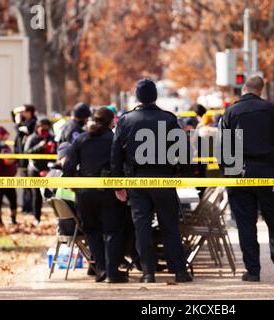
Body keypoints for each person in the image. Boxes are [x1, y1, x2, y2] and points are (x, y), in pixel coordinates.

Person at [111, 78, 192, 283]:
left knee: (142, 228)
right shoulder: (169, 119)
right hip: (164, 178)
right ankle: (180, 271)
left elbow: (115, 155)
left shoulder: (125, 120)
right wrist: (179, 172)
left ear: (137, 97)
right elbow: (183, 151)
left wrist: (118, 184)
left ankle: (148, 273)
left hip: (137, 181)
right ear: (155, 96)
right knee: (170, 226)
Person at [221, 75, 274, 282]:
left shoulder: (231, 111)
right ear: (261, 90)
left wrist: (229, 171)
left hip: (241, 173)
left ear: (244, 88)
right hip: (268, 170)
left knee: (246, 224)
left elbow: (223, 149)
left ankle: (253, 271)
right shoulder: (271, 109)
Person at [64, 107, 128, 283]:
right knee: (113, 231)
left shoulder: (81, 139)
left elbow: (68, 167)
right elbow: (120, 165)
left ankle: (100, 269)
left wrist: (74, 186)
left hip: (85, 193)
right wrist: (120, 187)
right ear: (111, 122)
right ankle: (113, 272)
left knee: (92, 231)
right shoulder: (115, 139)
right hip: (108, 192)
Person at [24, 118, 57, 225]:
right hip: (35, 169)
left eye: (47, 130)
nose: (45, 133)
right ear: (37, 128)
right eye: (42, 130)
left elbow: (57, 152)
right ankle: (37, 218)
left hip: (49, 169)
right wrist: (39, 147)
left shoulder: (51, 137)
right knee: (36, 195)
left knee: (52, 195)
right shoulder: (32, 138)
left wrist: (52, 149)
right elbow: (26, 153)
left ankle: (58, 218)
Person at [12, 104, 37, 215]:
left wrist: (18, 124)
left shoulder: (33, 122)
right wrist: (17, 110)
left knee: (29, 184)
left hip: (27, 158)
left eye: (24, 111)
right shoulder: (23, 121)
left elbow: (22, 130)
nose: (22, 114)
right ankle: (25, 207)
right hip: (20, 157)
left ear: (30, 112)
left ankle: (30, 207)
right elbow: (13, 114)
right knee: (24, 184)